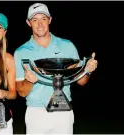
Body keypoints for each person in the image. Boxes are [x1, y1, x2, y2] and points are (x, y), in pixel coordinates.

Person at [14, 3, 98, 134]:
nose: (40, 24)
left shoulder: (67, 45)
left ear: (50, 20)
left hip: (63, 111)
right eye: (34, 20)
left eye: (43, 19)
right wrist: (29, 81)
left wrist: (87, 70)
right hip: (36, 112)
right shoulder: (21, 52)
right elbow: (22, 92)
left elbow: (82, 81)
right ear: (28, 22)